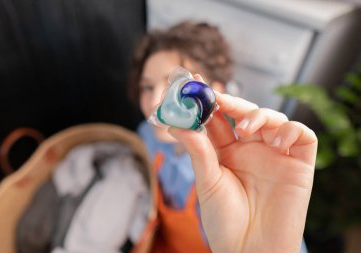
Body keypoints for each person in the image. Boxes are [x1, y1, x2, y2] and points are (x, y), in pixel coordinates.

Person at [128, 21, 316, 253]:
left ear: (212, 92)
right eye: (147, 87)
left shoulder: (230, 175)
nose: (156, 99)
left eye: (171, 85)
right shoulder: (147, 135)